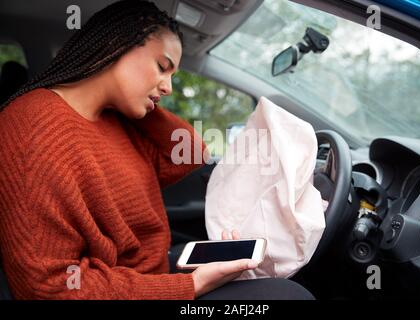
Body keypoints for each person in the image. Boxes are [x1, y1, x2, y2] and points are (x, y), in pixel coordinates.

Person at [0, 0, 314, 300]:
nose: (168, 87)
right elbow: (49, 287)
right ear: (117, 44)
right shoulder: (32, 128)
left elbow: (190, 154)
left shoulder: (115, 118)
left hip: (153, 272)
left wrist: (132, 97)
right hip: (132, 289)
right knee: (291, 296)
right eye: (162, 67)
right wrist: (191, 286)